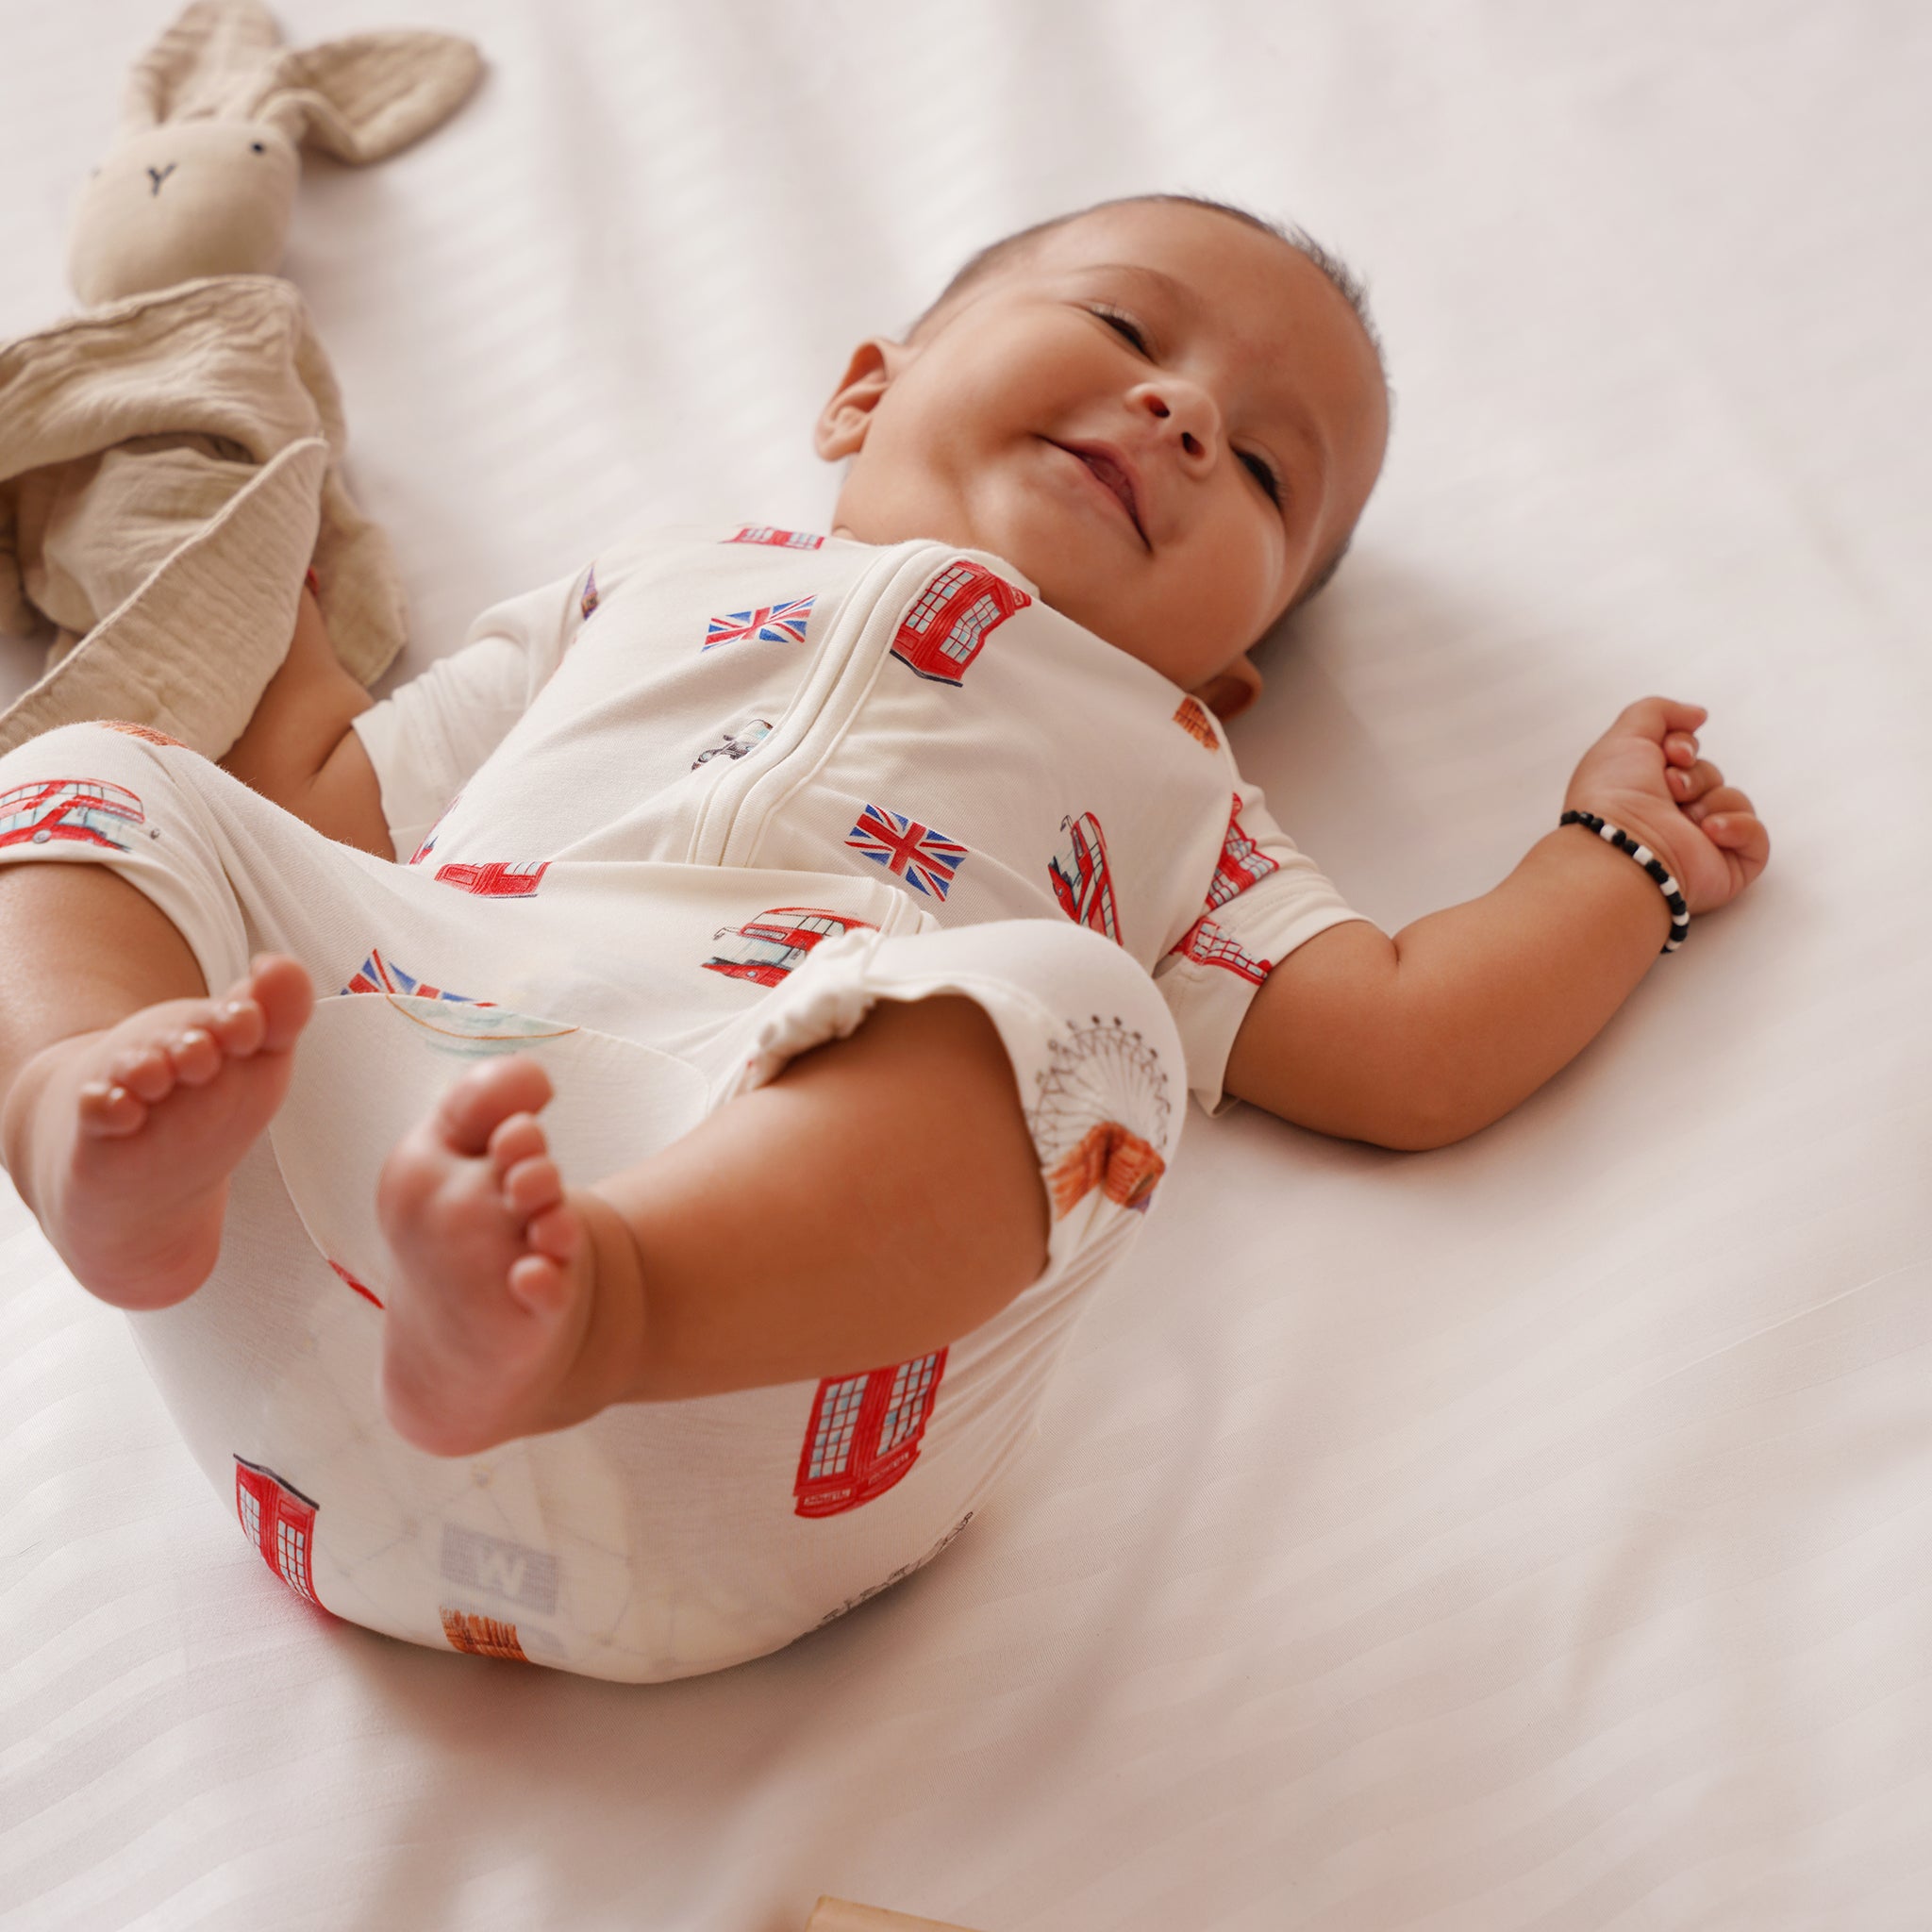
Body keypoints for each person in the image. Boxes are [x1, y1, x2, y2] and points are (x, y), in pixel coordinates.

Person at [0, 193, 1770, 1678]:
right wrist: (274, 588)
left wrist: (1619, 859)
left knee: (1080, 1022)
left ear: (1226, 664)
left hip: (747, 1395)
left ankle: (600, 1301)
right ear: (865, 389)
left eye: (1263, 471)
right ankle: (87, 1118)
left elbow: (1405, 1041)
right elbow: (322, 811)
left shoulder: (1170, 772)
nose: (1182, 418)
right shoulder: (642, 589)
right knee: (102, 772)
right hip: (341, 1268)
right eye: (1127, 329)